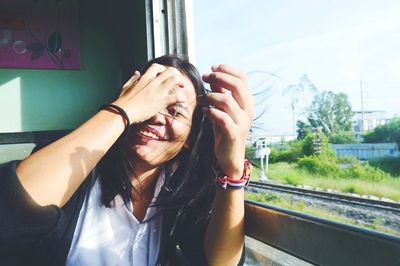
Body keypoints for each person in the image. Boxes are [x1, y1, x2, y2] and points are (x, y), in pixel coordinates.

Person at [0, 54, 255, 266]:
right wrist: (124, 110)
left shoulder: (180, 192)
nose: (155, 116)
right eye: (149, 100)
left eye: (175, 111)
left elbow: (221, 263)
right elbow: (9, 214)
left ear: (189, 137)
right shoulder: (71, 163)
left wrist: (232, 169)